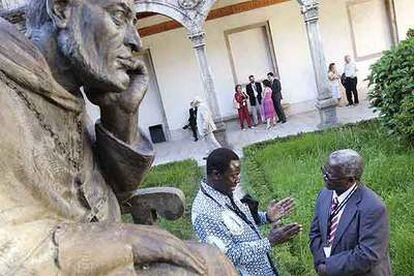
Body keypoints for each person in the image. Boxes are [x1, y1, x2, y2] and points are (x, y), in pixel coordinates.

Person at [0, 0, 235, 274]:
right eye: (119, 16)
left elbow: (115, 192)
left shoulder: (65, 92)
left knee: (212, 260)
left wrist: (121, 114)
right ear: (61, 9)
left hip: (104, 255)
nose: (136, 42)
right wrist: (123, 241)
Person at [192, 148, 302, 275]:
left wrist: (266, 217)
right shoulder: (204, 213)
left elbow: (240, 222)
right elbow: (227, 256)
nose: (238, 180)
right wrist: (269, 241)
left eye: (238, 174)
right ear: (217, 175)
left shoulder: (222, 190)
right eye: (233, 175)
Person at [310, 149, 391, 276]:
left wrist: (329, 268)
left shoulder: (373, 207)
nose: (324, 177)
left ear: (350, 180)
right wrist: (320, 262)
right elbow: (315, 232)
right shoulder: (324, 194)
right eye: (324, 171)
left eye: (330, 175)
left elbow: (368, 254)